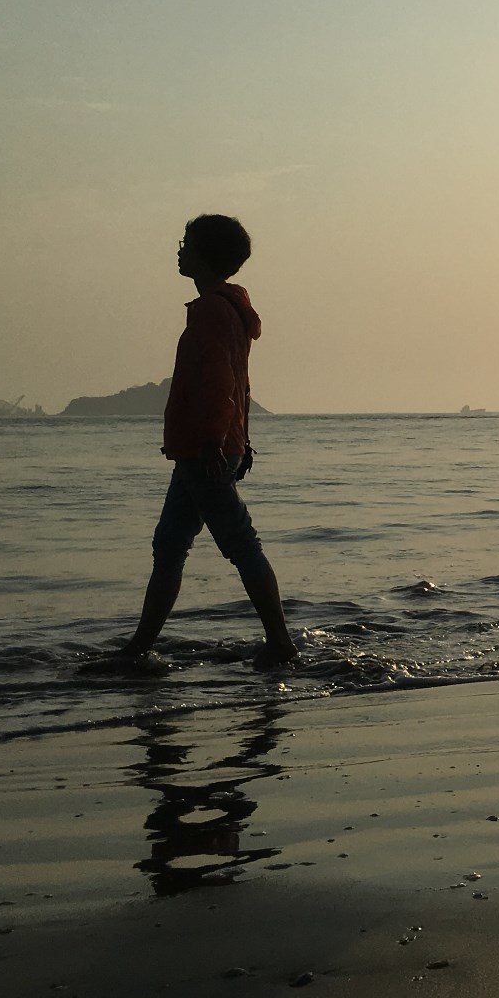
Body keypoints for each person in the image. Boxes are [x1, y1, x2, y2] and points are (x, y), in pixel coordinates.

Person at [121, 214, 298, 668]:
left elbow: (221, 381)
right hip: (209, 444)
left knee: (239, 544)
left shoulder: (214, 311)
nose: (179, 249)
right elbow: (241, 383)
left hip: (206, 448)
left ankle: (280, 642)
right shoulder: (227, 309)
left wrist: (218, 442)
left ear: (204, 253)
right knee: (170, 545)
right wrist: (240, 440)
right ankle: (140, 648)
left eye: (186, 242)